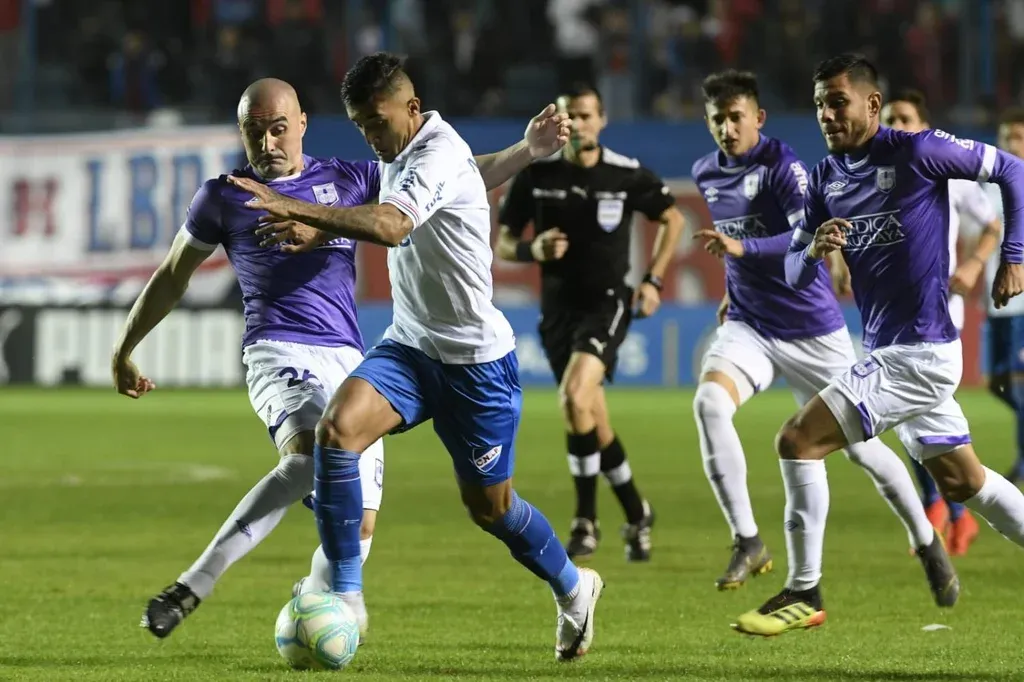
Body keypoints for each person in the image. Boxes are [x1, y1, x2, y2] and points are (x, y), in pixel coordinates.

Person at [115, 77, 574, 640]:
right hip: (278, 348)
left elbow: (456, 176)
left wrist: (526, 151)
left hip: (350, 356)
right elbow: (172, 275)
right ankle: (195, 584)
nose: (268, 143)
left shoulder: (350, 178)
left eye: (278, 128)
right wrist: (125, 349)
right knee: (309, 455)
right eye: (255, 132)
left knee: (360, 527)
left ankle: (318, 605)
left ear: (302, 124)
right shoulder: (223, 196)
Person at [229, 53, 603, 661]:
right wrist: (525, 151)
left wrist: (300, 209)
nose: (370, 138)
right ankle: (346, 595)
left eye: (377, 123)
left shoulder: (435, 150)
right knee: (336, 431)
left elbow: (393, 224)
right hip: (410, 346)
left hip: (475, 364)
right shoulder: (405, 150)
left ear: (412, 107)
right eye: (359, 126)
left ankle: (574, 587)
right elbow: (469, 174)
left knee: (492, 510)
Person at [732, 53, 1024, 637]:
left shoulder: (916, 151)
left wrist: (1013, 257)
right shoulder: (824, 178)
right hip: (890, 351)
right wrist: (813, 250)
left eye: (838, 102)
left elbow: (1013, 169)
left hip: (918, 353)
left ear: (872, 103)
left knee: (796, 440)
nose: (827, 114)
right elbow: (792, 271)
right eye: (819, 104)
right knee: (964, 482)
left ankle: (804, 589)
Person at [691, 70, 954, 595]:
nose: (727, 128)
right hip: (750, 324)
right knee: (709, 404)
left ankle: (926, 539)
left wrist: (744, 249)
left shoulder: (783, 166)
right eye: (718, 119)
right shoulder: (705, 172)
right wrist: (731, 284)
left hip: (812, 329)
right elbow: (737, 243)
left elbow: (798, 237)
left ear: (758, 118)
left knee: (863, 451)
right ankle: (748, 539)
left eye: (736, 117)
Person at [494, 83, 683, 562]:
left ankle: (585, 519)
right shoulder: (536, 173)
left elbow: (673, 219)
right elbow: (504, 244)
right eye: (568, 116)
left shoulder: (625, 173)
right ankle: (637, 512)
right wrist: (533, 249)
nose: (577, 124)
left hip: (607, 304)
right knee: (592, 421)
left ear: (601, 120)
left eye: (584, 115)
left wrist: (653, 280)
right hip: (557, 312)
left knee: (574, 397)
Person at [881, 89, 1002, 555]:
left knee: (923, 415)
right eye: (890, 118)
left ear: (925, 127)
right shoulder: (875, 173)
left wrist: (974, 264)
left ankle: (947, 507)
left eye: (905, 118)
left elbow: (992, 225)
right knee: (906, 418)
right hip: (888, 315)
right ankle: (947, 509)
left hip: (937, 314)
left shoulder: (947, 171)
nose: (896, 126)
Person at [979, 109, 1024, 487]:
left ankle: (1023, 466)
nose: (1013, 144)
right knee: (996, 382)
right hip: (996, 305)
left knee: (1020, 385)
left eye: (1020, 138)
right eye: (1008, 137)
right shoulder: (990, 186)